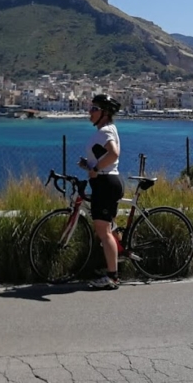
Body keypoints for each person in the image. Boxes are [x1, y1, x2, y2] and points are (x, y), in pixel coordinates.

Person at [78, 93, 123, 290]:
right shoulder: (106, 130)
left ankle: (112, 277)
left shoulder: (105, 131)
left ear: (104, 113)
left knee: (103, 231)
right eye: (91, 108)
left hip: (105, 183)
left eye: (94, 109)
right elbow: (104, 156)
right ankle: (116, 259)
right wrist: (89, 165)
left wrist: (95, 170)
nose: (90, 112)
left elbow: (113, 154)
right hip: (104, 182)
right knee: (108, 228)